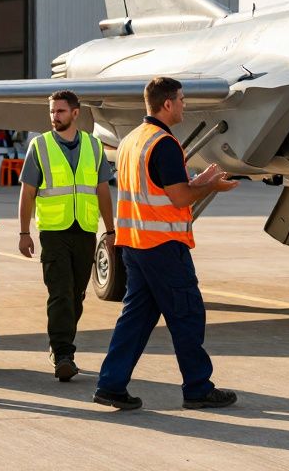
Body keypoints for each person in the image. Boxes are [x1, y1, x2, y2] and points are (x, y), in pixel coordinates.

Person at [93, 77, 239, 411]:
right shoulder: (165, 143)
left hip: (135, 244)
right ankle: (198, 387)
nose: (185, 105)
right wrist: (210, 186)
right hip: (162, 245)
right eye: (182, 100)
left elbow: (159, 188)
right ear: (168, 104)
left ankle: (111, 385)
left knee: (136, 319)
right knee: (187, 315)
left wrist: (196, 182)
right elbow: (178, 197)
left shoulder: (132, 141)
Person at [16, 90, 115, 381]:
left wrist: (110, 230)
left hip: (84, 229)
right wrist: (24, 232)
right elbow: (28, 193)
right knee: (60, 293)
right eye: (51, 111)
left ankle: (60, 345)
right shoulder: (40, 146)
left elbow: (102, 191)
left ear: (75, 113)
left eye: (60, 111)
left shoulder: (94, 146)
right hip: (53, 232)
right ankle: (63, 354)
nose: (54, 116)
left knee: (77, 295)